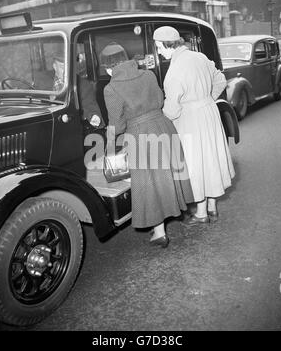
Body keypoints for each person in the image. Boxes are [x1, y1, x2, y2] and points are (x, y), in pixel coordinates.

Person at [100, 42, 194, 247]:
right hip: (163, 126)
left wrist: (108, 143)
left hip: (139, 134)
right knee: (166, 175)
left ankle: (159, 232)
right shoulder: (149, 75)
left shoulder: (111, 88)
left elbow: (116, 123)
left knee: (149, 182)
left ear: (108, 68)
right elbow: (160, 100)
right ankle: (168, 219)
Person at [153, 26, 235, 225]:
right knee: (211, 158)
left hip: (191, 119)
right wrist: (206, 99)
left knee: (195, 165)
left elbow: (172, 109)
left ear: (167, 45)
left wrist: (161, 117)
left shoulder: (174, 71)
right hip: (209, 112)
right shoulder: (199, 57)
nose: (158, 51)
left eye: (158, 46)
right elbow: (221, 80)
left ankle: (201, 213)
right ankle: (212, 207)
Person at [76, 53, 105, 129]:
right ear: (54, 66)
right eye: (61, 66)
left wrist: (93, 115)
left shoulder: (83, 83)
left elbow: (88, 103)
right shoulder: (42, 81)